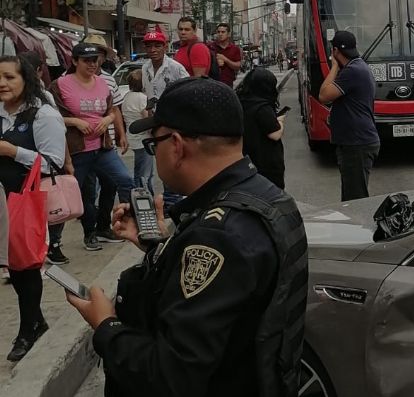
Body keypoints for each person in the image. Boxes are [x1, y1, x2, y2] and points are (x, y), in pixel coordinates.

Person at [66, 78, 308, 397]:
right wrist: (159, 247)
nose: (155, 153)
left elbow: (171, 376)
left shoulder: (216, 234)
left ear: (177, 146)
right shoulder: (269, 198)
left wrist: (106, 326)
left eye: (155, 144)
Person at [0, 55, 66, 361]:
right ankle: (36, 321)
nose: (2, 83)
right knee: (13, 268)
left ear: (26, 79)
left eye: (9, 77)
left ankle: (28, 330)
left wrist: (13, 151)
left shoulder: (43, 115)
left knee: (23, 267)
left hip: (24, 202)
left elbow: (52, 162)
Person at [47, 43, 134, 254]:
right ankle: (57, 243)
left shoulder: (103, 83)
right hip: (76, 150)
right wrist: (74, 122)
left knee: (124, 180)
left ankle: (123, 222)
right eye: (86, 60)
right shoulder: (60, 85)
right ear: (75, 61)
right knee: (72, 195)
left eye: (95, 60)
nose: (92, 64)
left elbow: (113, 109)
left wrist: (109, 120)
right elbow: (48, 116)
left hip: (102, 147)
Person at [318, 31, 380, 201]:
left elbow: (323, 95)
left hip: (357, 144)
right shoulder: (358, 66)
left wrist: (334, 67)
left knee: (355, 200)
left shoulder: (352, 71)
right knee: (353, 194)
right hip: (357, 142)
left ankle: (358, 227)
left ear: (335, 51)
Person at [82, 34, 128, 245]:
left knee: (113, 184)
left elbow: (115, 108)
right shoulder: (66, 80)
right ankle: (89, 231)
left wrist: (121, 134)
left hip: (106, 143)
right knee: (88, 190)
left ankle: (103, 226)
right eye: (89, 54)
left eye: (98, 54)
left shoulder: (108, 78)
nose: (94, 59)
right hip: (82, 146)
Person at [141, 27, 189, 211]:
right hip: (156, 123)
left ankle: (176, 201)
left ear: (164, 46)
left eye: (156, 45)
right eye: (149, 46)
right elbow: (149, 95)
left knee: (175, 160)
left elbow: (187, 91)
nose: (152, 49)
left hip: (175, 122)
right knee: (162, 162)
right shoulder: (145, 68)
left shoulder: (176, 68)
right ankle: (171, 202)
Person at [236, 68, 286, 189]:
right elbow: (275, 134)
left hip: (246, 162)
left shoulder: (239, 101)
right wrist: (280, 121)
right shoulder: (262, 107)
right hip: (266, 165)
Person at [122, 70, 154, 193]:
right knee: (144, 175)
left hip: (133, 138)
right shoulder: (142, 98)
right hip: (143, 140)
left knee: (140, 171)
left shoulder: (127, 96)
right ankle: (144, 197)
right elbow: (147, 119)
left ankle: (139, 194)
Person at [209, 23, 242, 88]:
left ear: (229, 34)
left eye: (223, 32)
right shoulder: (210, 47)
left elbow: (238, 66)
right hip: (213, 83)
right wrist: (215, 63)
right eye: (218, 32)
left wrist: (226, 60)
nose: (220, 34)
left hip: (228, 83)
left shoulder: (235, 49)